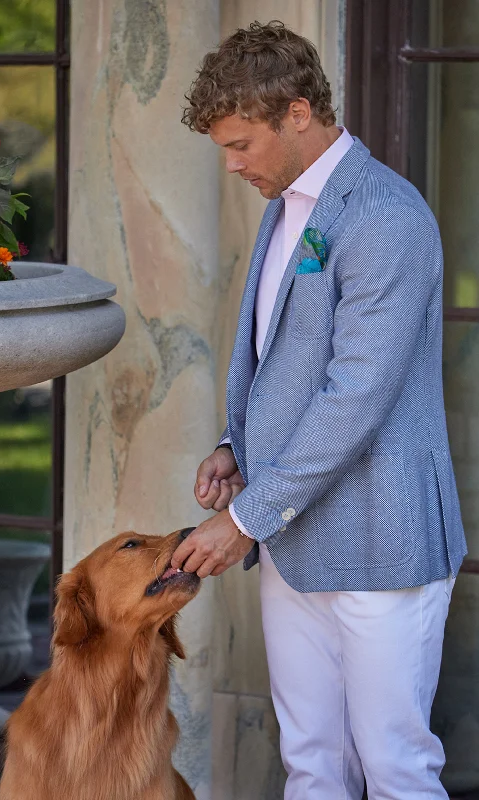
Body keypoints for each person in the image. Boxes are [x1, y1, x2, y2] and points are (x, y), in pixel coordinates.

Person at [170, 20, 467, 800]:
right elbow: (288, 361)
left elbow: (356, 393)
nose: (233, 165)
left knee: (394, 767)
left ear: (297, 113)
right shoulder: (286, 204)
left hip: (381, 544)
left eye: (240, 145)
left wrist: (241, 521)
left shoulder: (385, 216)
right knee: (310, 765)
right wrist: (236, 445)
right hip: (296, 540)